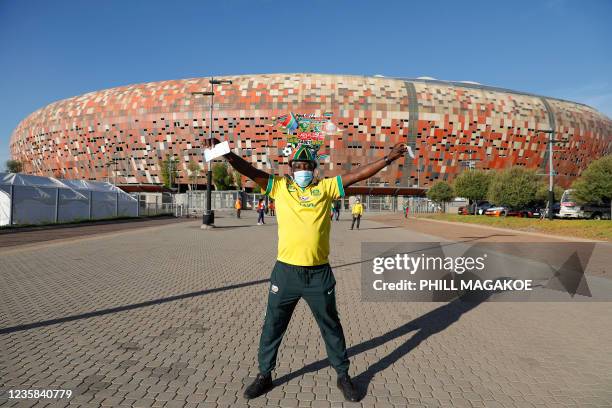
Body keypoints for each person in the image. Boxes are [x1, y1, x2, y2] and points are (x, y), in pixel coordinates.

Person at [204, 137, 407, 402]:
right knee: (273, 325)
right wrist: (228, 155)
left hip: (318, 275)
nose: (301, 169)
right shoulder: (278, 188)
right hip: (286, 273)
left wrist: (388, 159)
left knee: (331, 326)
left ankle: (343, 375)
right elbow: (250, 172)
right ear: (290, 168)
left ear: (313, 168)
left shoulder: (325, 188)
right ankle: (265, 375)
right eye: (297, 165)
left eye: (306, 165)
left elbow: (356, 175)